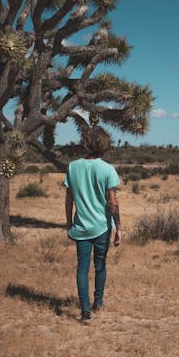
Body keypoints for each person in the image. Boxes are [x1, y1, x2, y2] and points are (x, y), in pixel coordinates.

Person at [64, 127, 122, 323]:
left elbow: (69, 198)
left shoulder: (72, 167)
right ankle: (98, 301)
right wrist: (119, 227)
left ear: (86, 142)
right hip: (101, 227)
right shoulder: (107, 169)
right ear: (105, 145)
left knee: (82, 268)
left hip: (81, 227)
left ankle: (85, 310)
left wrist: (69, 223)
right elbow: (113, 202)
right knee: (100, 266)